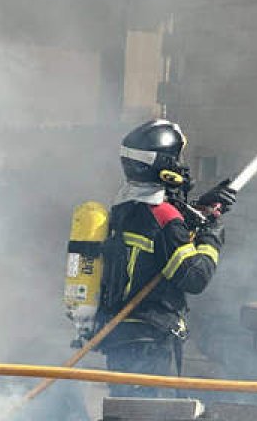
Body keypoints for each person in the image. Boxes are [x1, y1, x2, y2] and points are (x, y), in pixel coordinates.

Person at [97, 118, 236, 397]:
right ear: (162, 164)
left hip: (122, 335)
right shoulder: (165, 217)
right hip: (150, 339)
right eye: (177, 158)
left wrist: (197, 210)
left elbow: (159, 243)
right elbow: (194, 278)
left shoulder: (126, 206)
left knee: (123, 419)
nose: (182, 165)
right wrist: (211, 237)